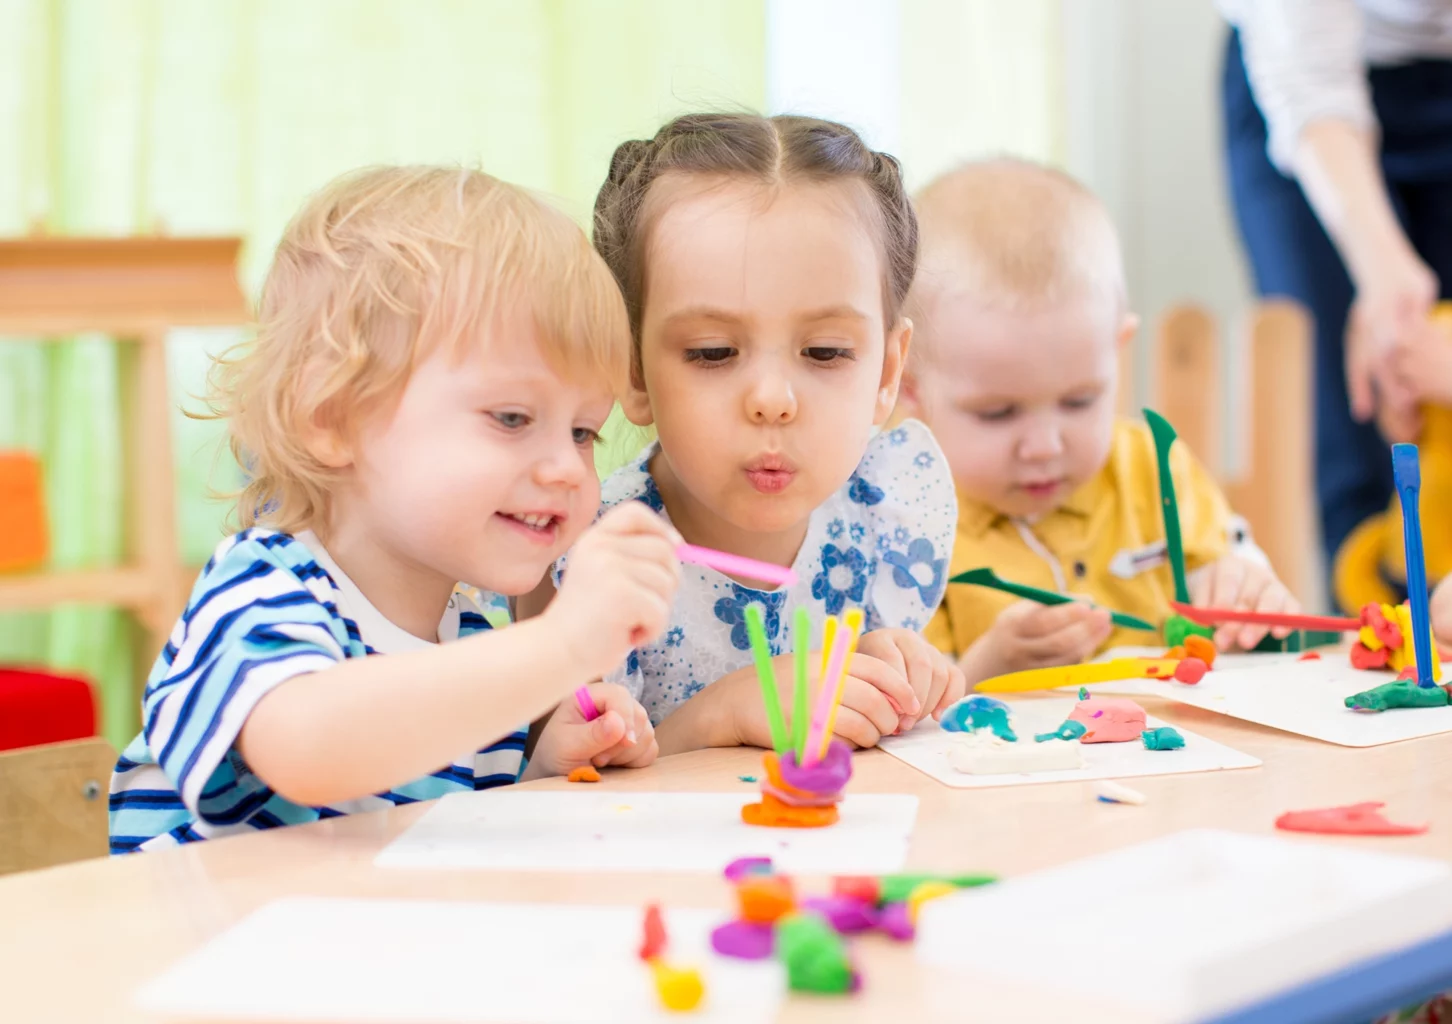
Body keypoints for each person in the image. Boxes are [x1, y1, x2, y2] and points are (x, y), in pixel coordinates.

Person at [109, 166, 680, 853]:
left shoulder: (473, 629)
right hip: (189, 949)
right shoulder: (265, 588)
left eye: (583, 431)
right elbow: (312, 750)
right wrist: (560, 647)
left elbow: (424, 830)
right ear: (332, 417)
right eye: (511, 417)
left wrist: (542, 766)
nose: (565, 466)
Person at [536, 113, 965, 756]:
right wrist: (726, 713)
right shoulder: (591, 558)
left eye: (823, 352)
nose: (772, 401)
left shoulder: (883, 522)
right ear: (630, 366)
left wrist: (891, 678)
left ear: (887, 372)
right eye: (712, 352)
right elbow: (558, 791)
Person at [900, 159, 1298, 681]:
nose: (1044, 445)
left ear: (1117, 353)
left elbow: (1244, 592)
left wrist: (1241, 592)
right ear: (909, 388)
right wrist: (982, 669)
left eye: (1079, 401)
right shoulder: (903, 522)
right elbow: (902, 720)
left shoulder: (1154, 469)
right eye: (998, 413)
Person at [1219, 0, 1452, 600]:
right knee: (1350, 440)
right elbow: (1309, 82)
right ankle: (1380, 652)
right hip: (1309, 86)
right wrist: (1386, 281)